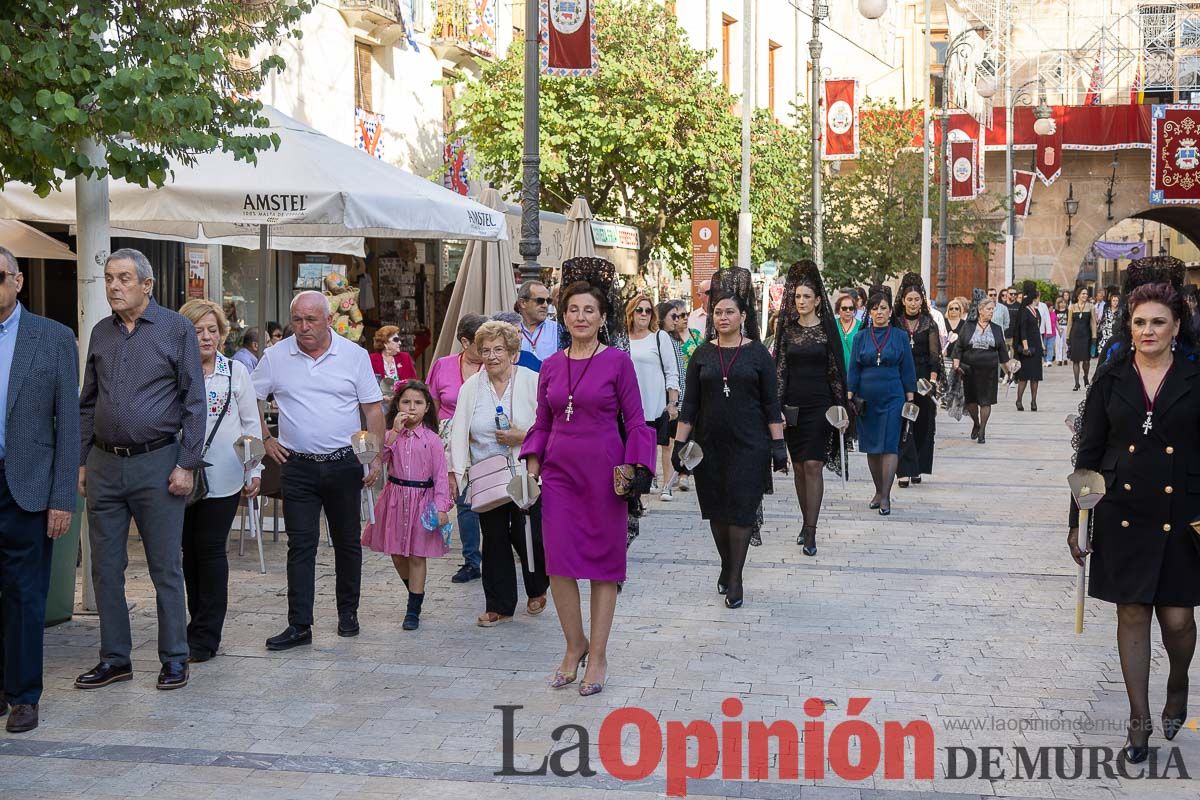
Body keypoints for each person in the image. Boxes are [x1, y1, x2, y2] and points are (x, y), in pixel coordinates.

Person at [1069, 279, 1199, 763]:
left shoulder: (1195, 376)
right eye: (1140, 322)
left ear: (1176, 327)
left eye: (1158, 322)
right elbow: (1088, 453)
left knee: (1179, 620)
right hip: (1122, 510)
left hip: (1184, 511)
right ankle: (1138, 720)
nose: (1148, 330)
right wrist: (1077, 521)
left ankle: (1179, 681)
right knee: (1132, 612)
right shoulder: (1110, 379)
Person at [520, 266, 655, 697]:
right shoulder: (551, 365)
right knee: (558, 564)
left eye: (589, 310)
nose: (581, 317)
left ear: (602, 318)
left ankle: (597, 656)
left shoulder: (617, 362)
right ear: (563, 316)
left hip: (604, 476)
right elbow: (542, 422)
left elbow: (636, 422)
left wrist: (636, 469)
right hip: (559, 475)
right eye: (573, 309)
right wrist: (531, 470)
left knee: (603, 567)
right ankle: (573, 644)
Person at [76, 248, 205, 692]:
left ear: (147, 285)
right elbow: (88, 402)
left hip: (159, 462)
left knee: (164, 566)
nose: (114, 286)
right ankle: (115, 659)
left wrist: (186, 463)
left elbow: (194, 402)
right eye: (109, 278)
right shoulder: (101, 332)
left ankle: (174, 658)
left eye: (124, 278)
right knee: (104, 567)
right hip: (104, 463)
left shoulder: (176, 329)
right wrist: (81, 461)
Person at [252, 290, 385, 650]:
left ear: (329, 320)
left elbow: (372, 410)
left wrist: (373, 457)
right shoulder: (276, 357)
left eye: (311, 319)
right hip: (297, 465)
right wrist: (266, 438)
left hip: (344, 463)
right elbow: (249, 398)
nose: (304, 326)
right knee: (301, 545)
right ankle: (299, 625)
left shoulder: (353, 356)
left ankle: (348, 614)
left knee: (347, 542)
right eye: (297, 320)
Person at [0, 246, 79, 733]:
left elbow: (68, 425)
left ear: (18, 281)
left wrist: (62, 498)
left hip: (27, 485)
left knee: (25, 595)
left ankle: (24, 696)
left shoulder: (52, 338)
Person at [673, 290, 787, 607]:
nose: (723, 317)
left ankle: (735, 578)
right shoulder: (702, 354)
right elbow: (690, 403)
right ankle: (727, 564)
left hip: (751, 444)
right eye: (719, 312)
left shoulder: (758, 354)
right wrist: (679, 443)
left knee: (742, 509)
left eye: (730, 312)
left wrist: (778, 444)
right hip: (709, 445)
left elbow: (771, 403)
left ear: (743, 317)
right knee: (717, 510)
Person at [177, 300, 263, 663]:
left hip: (224, 475)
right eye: (198, 330)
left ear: (223, 334)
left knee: (210, 549)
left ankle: (206, 635)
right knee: (188, 551)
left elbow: (250, 425)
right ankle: (195, 621)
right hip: (180, 476)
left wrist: (254, 469)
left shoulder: (235, 372)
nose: (206, 337)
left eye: (212, 330)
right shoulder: (174, 371)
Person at [449, 321, 548, 626]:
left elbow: (549, 426)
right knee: (493, 539)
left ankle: (537, 587)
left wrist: (522, 436)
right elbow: (458, 430)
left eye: (498, 349)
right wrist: (456, 471)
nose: (492, 356)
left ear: (512, 352)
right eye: (486, 350)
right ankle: (499, 605)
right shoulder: (471, 387)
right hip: (487, 474)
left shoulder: (532, 380)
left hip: (525, 471)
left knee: (528, 533)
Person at [362, 380, 451, 631]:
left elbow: (441, 477)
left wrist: (441, 507)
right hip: (395, 499)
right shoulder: (391, 436)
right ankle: (414, 591)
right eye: (406, 402)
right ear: (397, 405)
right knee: (397, 553)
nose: (412, 408)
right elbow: (380, 459)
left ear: (427, 408)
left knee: (416, 554)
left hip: (422, 500)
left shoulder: (433, 440)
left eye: (418, 403)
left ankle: (413, 608)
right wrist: (392, 434)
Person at [774, 261, 848, 556]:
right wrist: (777, 408)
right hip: (793, 406)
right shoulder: (787, 331)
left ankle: (811, 532)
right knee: (799, 467)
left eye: (807, 296)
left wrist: (841, 409)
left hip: (820, 405)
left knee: (814, 465)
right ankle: (805, 523)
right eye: (797, 297)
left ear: (818, 300)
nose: (801, 301)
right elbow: (780, 371)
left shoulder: (827, 331)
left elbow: (836, 372)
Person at [426, 315, 486, 584]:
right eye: (481, 343)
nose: (487, 349)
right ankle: (472, 560)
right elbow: (432, 406)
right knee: (464, 501)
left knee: (493, 499)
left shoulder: (493, 365)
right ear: (465, 342)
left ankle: (497, 556)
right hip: (452, 441)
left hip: (485, 439)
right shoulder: (443, 365)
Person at [847, 290, 916, 517]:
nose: (879, 312)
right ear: (869, 312)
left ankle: (885, 495)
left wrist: (910, 397)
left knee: (889, 445)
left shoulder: (899, 336)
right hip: (866, 399)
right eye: (875, 308)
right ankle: (878, 490)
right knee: (872, 447)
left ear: (890, 311)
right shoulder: (860, 337)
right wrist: (849, 395)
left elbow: (907, 368)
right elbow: (854, 368)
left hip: (893, 395)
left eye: (883, 308)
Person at [625, 295, 680, 497]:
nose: (644, 314)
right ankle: (638, 493)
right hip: (627, 405)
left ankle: (663, 486)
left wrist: (672, 402)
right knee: (632, 451)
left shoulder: (659, 337)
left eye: (648, 311)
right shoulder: (622, 338)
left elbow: (671, 371)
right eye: (639, 310)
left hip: (653, 404)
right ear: (631, 313)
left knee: (658, 447)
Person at [893, 274, 941, 488]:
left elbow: (934, 356)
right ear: (903, 300)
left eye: (917, 299)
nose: (913, 303)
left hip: (923, 379)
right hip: (900, 377)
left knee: (922, 423)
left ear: (922, 301)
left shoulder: (929, 323)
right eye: (909, 299)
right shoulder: (896, 323)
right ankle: (904, 469)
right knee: (902, 422)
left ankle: (918, 466)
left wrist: (932, 380)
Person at [952, 297, 1009, 444]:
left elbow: (1003, 351)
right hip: (970, 369)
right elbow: (959, 346)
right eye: (988, 309)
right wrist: (956, 363)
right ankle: (976, 423)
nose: (991, 312)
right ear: (980, 310)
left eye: (992, 309)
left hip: (989, 370)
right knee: (971, 401)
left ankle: (982, 430)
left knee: (986, 401)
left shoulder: (996, 328)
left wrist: (1009, 369)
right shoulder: (968, 326)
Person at [656, 301, 688, 499]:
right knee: (661, 442)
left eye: (679, 316)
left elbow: (679, 373)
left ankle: (667, 483)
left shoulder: (677, 339)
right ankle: (659, 480)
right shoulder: (658, 338)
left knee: (671, 443)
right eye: (673, 316)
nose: (677, 320)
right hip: (661, 397)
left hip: (677, 398)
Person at [1013, 281, 1045, 412]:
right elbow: (1023, 329)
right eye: (1038, 297)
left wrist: (1042, 344)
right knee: (1024, 376)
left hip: (1036, 345)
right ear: (1035, 297)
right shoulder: (1025, 311)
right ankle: (1019, 400)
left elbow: (1037, 329)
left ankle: (1033, 401)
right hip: (1028, 346)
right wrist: (1025, 346)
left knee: (1035, 376)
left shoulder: (1036, 311)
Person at [515, 280, 560, 370]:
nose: (545, 305)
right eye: (540, 301)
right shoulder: (510, 332)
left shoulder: (558, 330)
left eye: (548, 301)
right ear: (523, 303)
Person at [1067, 286, 1098, 390]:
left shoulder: (1091, 306)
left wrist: (1094, 336)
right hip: (1075, 336)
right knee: (1075, 360)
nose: (1085, 295)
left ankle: (1086, 377)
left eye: (1086, 294)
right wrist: (1067, 336)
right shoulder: (1072, 307)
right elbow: (1069, 323)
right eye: (1083, 294)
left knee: (1086, 360)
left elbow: (1093, 322)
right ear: (1078, 295)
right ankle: (1076, 383)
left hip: (1086, 335)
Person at [834, 293, 860, 372]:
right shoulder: (833, 325)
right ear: (838, 309)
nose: (848, 311)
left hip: (856, 371)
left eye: (851, 308)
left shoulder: (861, 326)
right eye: (844, 308)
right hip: (837, 371)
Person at [1054, 296, 1070, 365]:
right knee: (1058, 343)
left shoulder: (1068, 311)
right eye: (1061, 303)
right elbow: (1055, 321)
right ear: (1058, 304)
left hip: (1066, 327)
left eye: (1064, 303)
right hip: (1058, 328)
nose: (1063, 304)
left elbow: (1069, 320)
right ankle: (1059, 359)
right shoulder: (1055, 311)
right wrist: (1058, 329)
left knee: (1065, 343)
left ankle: (1065, 358)